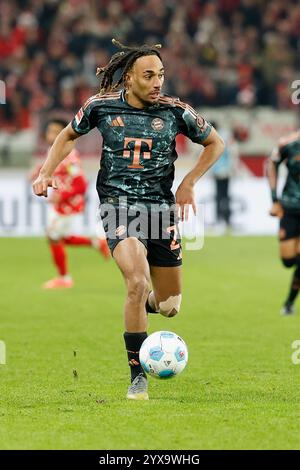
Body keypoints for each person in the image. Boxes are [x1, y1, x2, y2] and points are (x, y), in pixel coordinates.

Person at [33, 39, 224, 399]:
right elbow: (66, 135)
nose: (157, 83)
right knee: (136, 282)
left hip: (161, 211)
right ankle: (138, 376)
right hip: (118, 206)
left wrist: (188, 182)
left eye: (161, 76)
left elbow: (216, 143)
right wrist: (45, 173)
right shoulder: (101, 106)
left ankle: (146, 305)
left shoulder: (175, 111)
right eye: (149, 76)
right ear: (129, 78)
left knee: (169, 307)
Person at [31, 118, 110, 290]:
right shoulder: (54, 153)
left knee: (53, 236)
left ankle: (64, 278)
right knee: (60, 237)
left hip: (69, 205)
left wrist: (63, 196)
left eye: (56, 132)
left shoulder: (70, 157)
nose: (51, 135)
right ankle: (96, 243)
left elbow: (81, 183)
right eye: (49, 131)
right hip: (62, 204)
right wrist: (38, 173)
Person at [267, 129, 300, 315]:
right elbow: (271, 165)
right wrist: (274, 199)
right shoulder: (288, 143)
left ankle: (289, 302)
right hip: (290, 207)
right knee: (288, 261)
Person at [210, 122, 238, 232]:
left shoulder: (216, 137)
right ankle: (226, 220)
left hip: (221, 171)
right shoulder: (224, 136)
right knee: (224, 196)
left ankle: (221, 220)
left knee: (220, 196)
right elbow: (232, 153)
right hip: (224, 171)